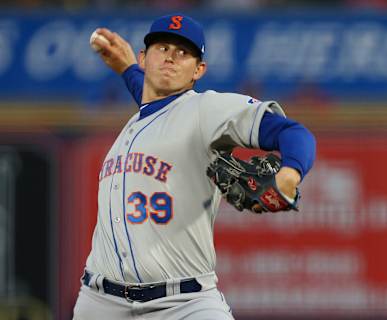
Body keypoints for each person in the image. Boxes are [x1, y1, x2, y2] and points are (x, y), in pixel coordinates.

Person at [73, 13, 316, 319]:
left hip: (184, 303)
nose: (171, 57)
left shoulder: (205, 110)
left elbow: (294, 133)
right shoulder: (143, 118)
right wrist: (126, 70)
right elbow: (152, 101)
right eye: (162, 48)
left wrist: (290, 173)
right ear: (144, 58)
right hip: (101, 302)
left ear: (198, 70)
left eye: (183, 52)